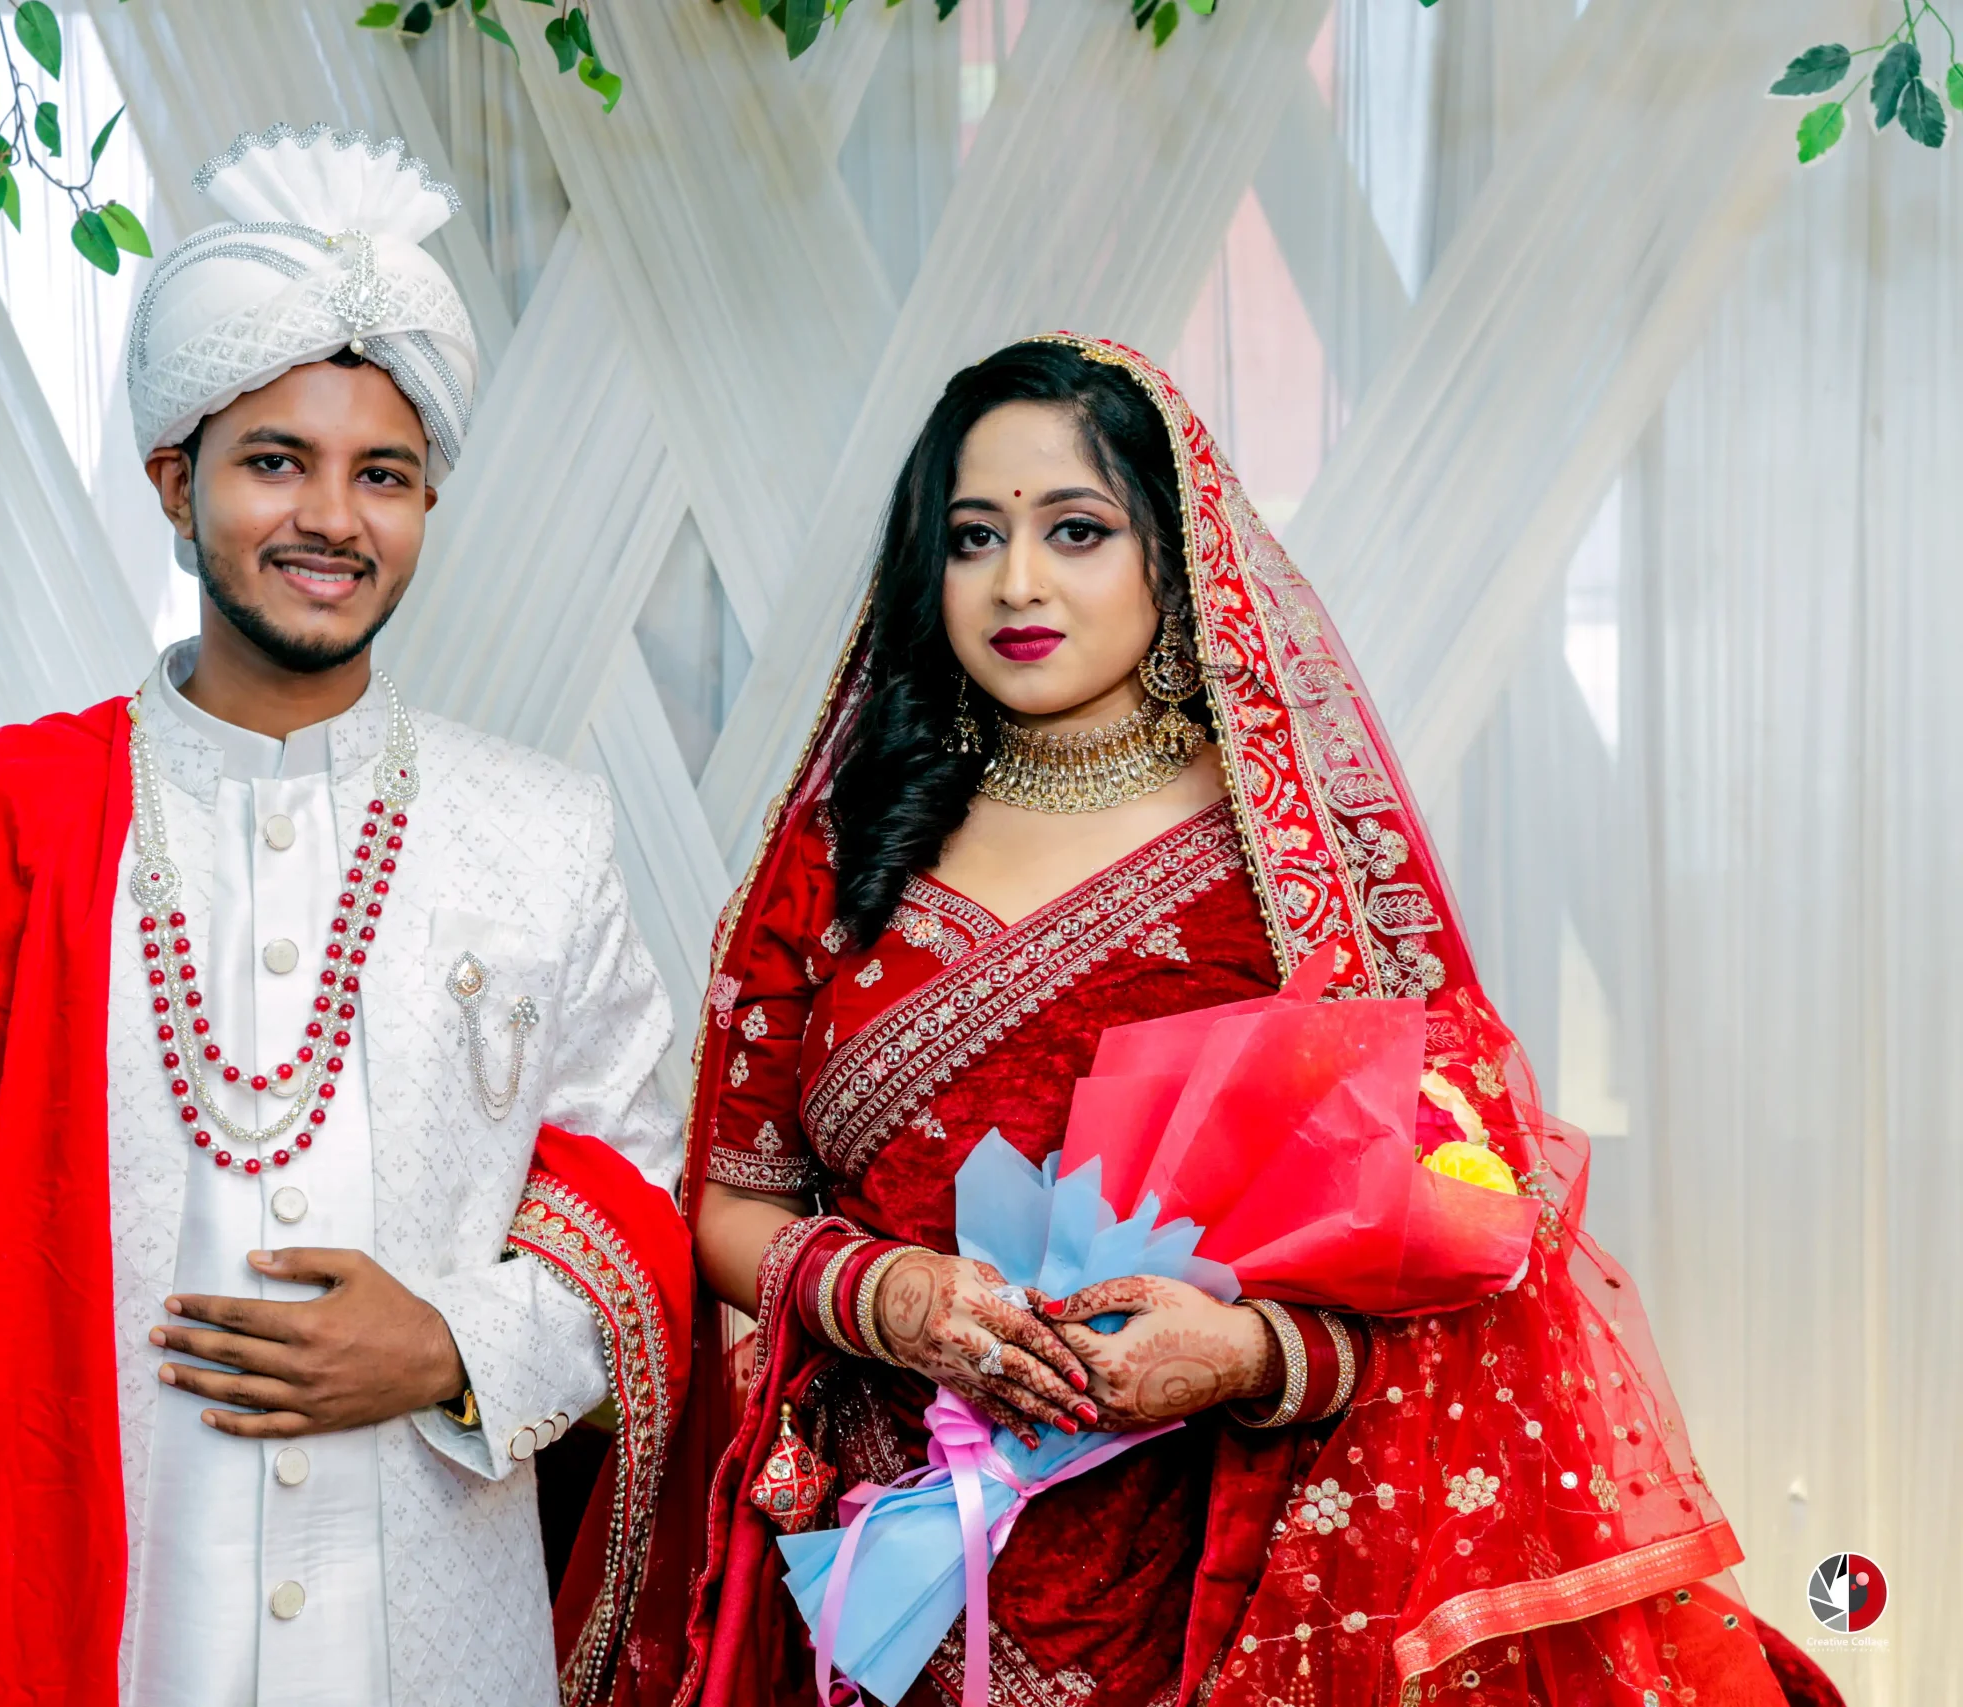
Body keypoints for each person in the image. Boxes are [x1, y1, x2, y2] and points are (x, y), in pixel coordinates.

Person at [630, 337, 1810, 1707]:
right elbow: (732, 1201)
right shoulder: (847, 847)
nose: (1017, 582)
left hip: (1224, 1583)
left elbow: (1470, 1246)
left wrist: (1246, 1353)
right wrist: (892, 1301)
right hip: (869, 1561)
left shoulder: (1293, 863)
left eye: (1076, 530)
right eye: (973, 536)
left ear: (1174, 549)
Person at [0, 123, 687, 1707]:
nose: (330, 517)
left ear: (427, 501)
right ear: (175, 477)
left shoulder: (541, 836)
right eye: (276, 460)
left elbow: (640, 1194)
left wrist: (456, 1345)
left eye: (383, 473)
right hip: (115, 1648)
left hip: (434, 1639)